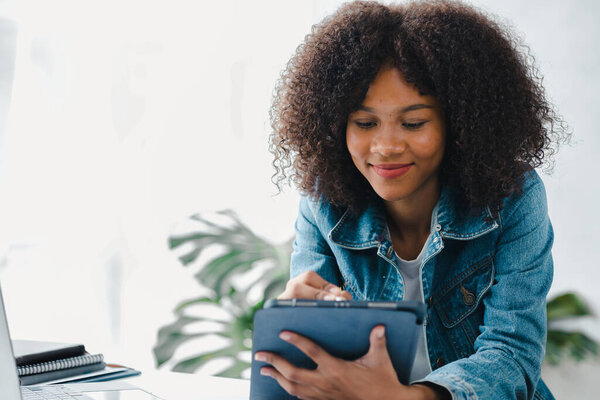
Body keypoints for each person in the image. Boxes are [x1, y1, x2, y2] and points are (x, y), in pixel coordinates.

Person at [258, 1, 568, 399]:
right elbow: (317, 372)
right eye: (365, 123)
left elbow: (512, 358)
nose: (385, 146)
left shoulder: (512, 195)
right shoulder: (324, 201)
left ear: (458, 124)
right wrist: (294, 325)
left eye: (414, 122)